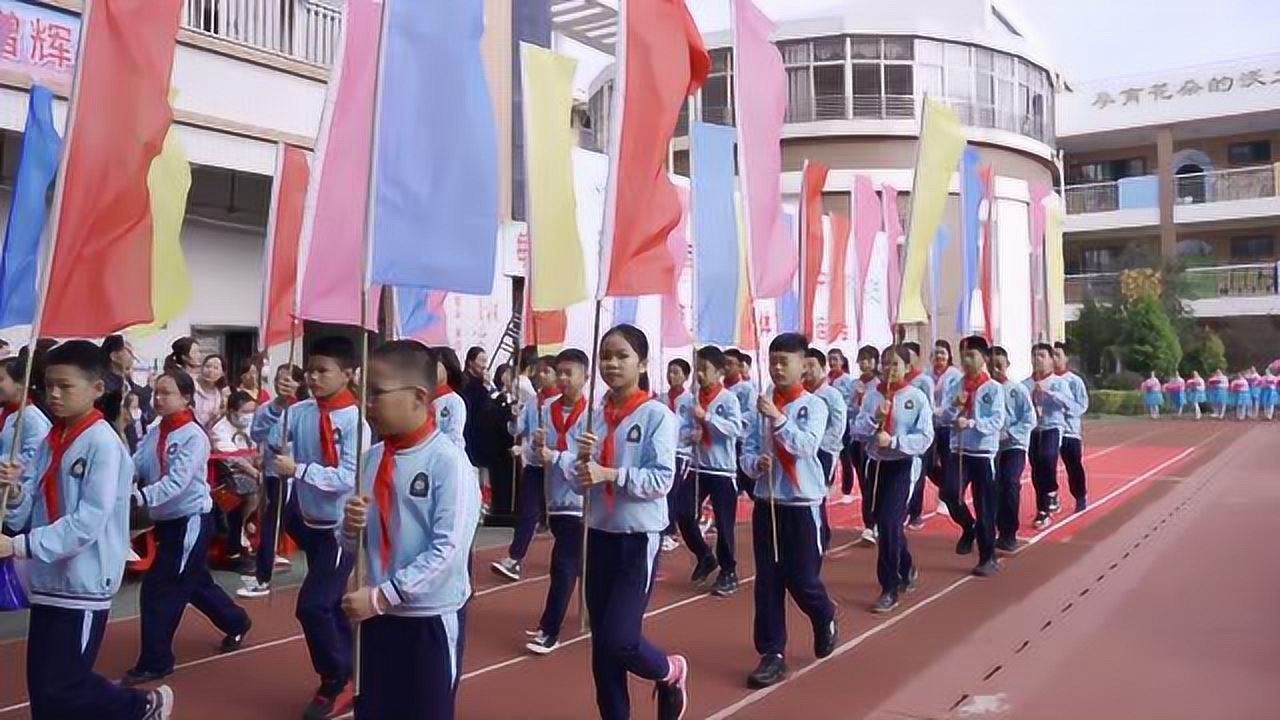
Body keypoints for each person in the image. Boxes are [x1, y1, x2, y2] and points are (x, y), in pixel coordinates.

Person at [0, 340, 175, 718]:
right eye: (49, 386)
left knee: (64, 685)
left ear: (98, 389)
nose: (55, 395)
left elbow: (87, 523)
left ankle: (141, 705)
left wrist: (17, 546)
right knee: (44, 690)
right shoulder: (52, 439)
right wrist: (13, 493)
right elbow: (27, 507)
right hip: (47, 578)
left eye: (66, 386)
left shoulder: (104, 445)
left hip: (84, 581)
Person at [336, 341, 479, 720]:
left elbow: (447, 551)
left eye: (377, 394)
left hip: (426, 619)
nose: (367, 404)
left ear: (418, 396)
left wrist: (384, 596)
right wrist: (349, 528)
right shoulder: (371, 460)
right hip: (377, 618)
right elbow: (352, 541)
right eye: (363, 393)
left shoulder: (448, 463)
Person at [571, 324, 688, 720]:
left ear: (641, 362)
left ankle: (669, 671)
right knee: (601, 651)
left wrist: (610, 474)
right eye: (606, 356)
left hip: (636, 538)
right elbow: (576, 479)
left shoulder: (656, 416)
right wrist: (579, 462)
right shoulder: (594, 417)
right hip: (597, 536)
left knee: (620, 639)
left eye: (622, 356)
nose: (612, 363)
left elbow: (661, 480)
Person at [254, 337, 369, 719]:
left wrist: (298, 469)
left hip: (341, 528)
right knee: (331, 603)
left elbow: (349, 477)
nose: (315, 378)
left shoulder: (356, 421)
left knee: (314, 605)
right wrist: (276, 405)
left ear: (349, 373)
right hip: (307, 521)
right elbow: (264, 439)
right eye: (311, 371)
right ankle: (355, 668)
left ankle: (335, 679)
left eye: (324, 371)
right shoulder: (300, 411)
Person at [123, 371, 252, 686]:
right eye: (157, 393)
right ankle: (237, 621)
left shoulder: (193, 435)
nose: (158, 398)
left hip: (190, 521)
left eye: (166, 393)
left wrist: (138, 497)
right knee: (194, 584)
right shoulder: (156, 430)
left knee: (160, 588)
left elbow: (177, 484)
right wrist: (117, 477)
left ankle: (156, 661)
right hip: (166, 523)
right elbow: (136, 463)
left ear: (185, 398)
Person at [741, 332, 838, 688]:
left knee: (802, 579)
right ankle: (772, 653)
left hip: (802, 505)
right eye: (774, 361)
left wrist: (779, 420)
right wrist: (755, 463)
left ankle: (823, 612)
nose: (778, 368)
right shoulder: (762, 404)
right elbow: (748, 450)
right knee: (768, 582)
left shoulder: (814, 405)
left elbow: (807, 446)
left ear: (803, 365)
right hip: (768, 504)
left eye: (786, 361)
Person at [853, 345, 933, 613]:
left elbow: (925, 437)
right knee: (883, 523)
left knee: (889, 523)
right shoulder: (872, 396)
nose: (889, 369)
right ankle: (906, 564)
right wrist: (874, 420)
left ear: (907, 367)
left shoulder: (917, 398)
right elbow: (857, 429)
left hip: (902, 465)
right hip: (876, 466)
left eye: (895, 364)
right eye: (885, 364)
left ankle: (889, 587)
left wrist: (895, 440)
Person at [524, 348, 591, 655]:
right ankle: (590, 612)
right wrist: (536, 450)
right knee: (577, 563)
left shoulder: (593, 414)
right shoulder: (546, 407)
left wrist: (557, 456)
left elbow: (590, 458)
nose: (563, 378)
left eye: (570, 373)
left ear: (585, 377)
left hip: (582, 500)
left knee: (563, 564)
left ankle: (549, 629)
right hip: (556, 499)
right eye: (559, 372)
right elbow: (539, 455)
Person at [677, 346, 743, 596]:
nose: (700, 375)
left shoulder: (728, 399)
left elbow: (735, 429)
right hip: (697, 466)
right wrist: (689, 435)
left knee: (724, 524)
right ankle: (704, 554)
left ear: (719, 371)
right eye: (698, 369)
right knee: (683, 512)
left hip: (722, 471)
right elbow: (680, 430)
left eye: (705, 370)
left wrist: (708, 419)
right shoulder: (690, 400)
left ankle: (729, 571)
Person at [937, 336, 1006, 577]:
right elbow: (943, 417)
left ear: (984, 357)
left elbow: (997, 420)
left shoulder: (993, 388)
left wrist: (972, 423)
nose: (966, 361)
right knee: (948, 492)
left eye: (972, 355)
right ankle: (968, 526)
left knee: (984, 505)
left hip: (983, 453)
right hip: (959, 450)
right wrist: (955, 407)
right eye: (963, 355)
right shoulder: (957, 384)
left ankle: (988, 557)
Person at [239, 363, 305, 599]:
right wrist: (277, 410)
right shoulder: (267, 408)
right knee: (271, 523)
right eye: (279, 378)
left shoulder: (304, 410)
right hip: (275, 475)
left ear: (299, 383)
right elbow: (258, 434)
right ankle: (262, 577)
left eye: (289, 379)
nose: (283, 383)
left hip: (300, 476)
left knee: (295, 522)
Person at [491, 355, 558, 582]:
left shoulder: (560, 402)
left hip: (557, 468)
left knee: (562, 517)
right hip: (534, 466)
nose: (541, 375)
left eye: (547, 371)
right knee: (528, 512)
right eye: (539, 371)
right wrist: (513, 417)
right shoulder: (532, 402)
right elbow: (517, 430)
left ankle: (575, 555)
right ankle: (514, 558)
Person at [210, 390, 261, 573]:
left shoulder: (251, 426)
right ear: (232, 411)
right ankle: (238, 535)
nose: (249, 416)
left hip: (251, 471)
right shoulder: (219, 430)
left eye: (252, 411)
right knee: (250, 488)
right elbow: (233, 458)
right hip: (226, 475)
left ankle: (248, 528)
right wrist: (255, 472)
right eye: (245, 412)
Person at [1025, 343, 1075, 529]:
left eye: (1042, 355)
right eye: (1035, 355)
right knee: (1036, 468)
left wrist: (1050, 394)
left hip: (1052, 426)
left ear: (1050, 359)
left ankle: (1051, 492)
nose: (1038, 359)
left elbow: (1071, 405)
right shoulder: (1025, 384)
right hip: (1033, 429)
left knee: (1047, 458)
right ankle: (1042, 509)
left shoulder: (1059, 382)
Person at [802, 348, 847, 551]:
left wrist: (819, 446)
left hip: (823, 451)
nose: (807, 370)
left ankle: (821, 534)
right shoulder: (800, 394)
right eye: (804, 366)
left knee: (817, 493)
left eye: (811, 366)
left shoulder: (831, 395)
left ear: (822, 368)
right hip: (802, 450)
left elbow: (838, 426)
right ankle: (815, 532)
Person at [991, 346, 1035, 552]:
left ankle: (1009, 533)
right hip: (991, 448)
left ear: (1007, 365)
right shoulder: (985, 390)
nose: (996, 369)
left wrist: (1010, 433)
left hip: (1014, 446)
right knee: (993, 487)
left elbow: (1029, 418)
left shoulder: (1017, 390)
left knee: (1009, 482)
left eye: (999, 365)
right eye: (991, 365)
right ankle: (992, 528)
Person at [844, 346, 880, 546]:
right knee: (864, 482)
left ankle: (873, 522)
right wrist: (856, 399)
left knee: (872, 484)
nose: (865, 364)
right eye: (862, 360)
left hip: (873, 442)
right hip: (856, 439)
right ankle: (869, 523)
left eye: (869, 359)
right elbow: (849, 410)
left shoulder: (879, 385)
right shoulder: (854, 384)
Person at [902, 342, 936, 530]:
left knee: (919, 473)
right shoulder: (900, 380)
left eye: (909, 355)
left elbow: (928, 406)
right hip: (901, 435)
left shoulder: (923, 380)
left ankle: (915, 513)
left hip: (919, 432)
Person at [1052, 342, 1090, 513]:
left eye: (1057, 355)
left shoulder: (1074, 381)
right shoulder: (1045, 380)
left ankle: (1080, 495)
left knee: (1073, 466)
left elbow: (1081, 406)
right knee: (1046, 465)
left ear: (1066, 358)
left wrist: (1062, 403)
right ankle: (1051, 497)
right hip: (1051, 431)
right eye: (1051, 354)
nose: (1054, 358)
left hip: (1069, 432)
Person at [0, 350, 52, 472]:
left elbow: (35, 458)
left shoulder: (32, 418)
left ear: (21, 383)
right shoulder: (5, 412)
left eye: (0, 379)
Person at [663, 358, 692, 553]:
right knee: (665, 490)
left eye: (676, 372)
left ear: (686, 376)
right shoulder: (661, 399)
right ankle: (665, 526)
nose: (671, 376)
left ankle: (670, 530)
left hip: (682, 451)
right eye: (669, 372)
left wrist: (689, 437)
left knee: (673, 490)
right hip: (666, 451)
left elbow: (696, 426)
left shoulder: (691, 401)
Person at [103, 335, 153, 427]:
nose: (133, 356)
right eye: (128, 352)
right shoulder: (106, 383)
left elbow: (141, 397)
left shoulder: (125, 379)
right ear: (114, 356)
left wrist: (149, 386)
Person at [431, 347, 468, 452]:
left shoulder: (454, 401)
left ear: (448, 370)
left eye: (434, 365)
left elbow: (454, 437)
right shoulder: (422, 400)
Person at [193, 354, 230, 429]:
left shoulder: (220, 395)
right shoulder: (192, 387)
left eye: (216, 368)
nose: (210, 370)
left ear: (222, 373)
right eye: (207, 366)